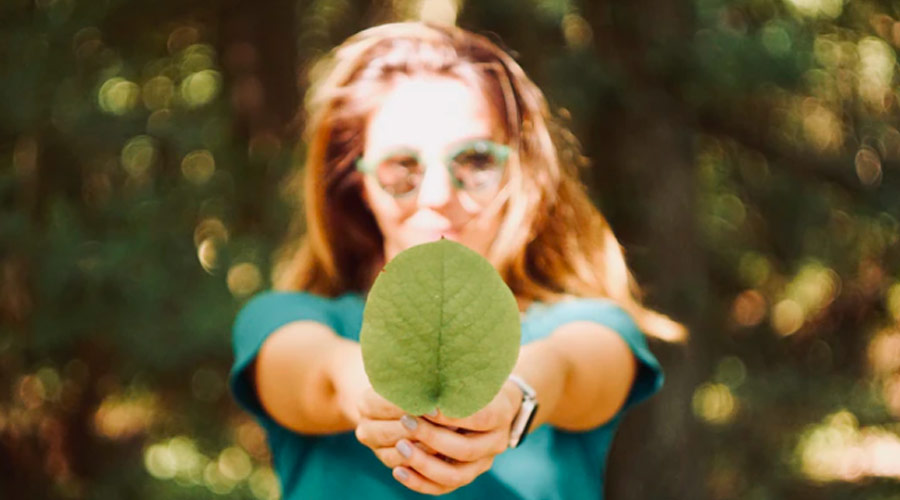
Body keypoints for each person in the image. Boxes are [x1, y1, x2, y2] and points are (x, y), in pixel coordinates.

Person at [229, 21, 685, 499]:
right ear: (357, 184)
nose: (438, 194)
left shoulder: (588, 325)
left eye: (475, 160)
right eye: (401, 167)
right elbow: (316, 376)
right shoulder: (284, 319)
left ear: (519, 170)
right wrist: (370, 392)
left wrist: (513, 399)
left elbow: (569, 369)